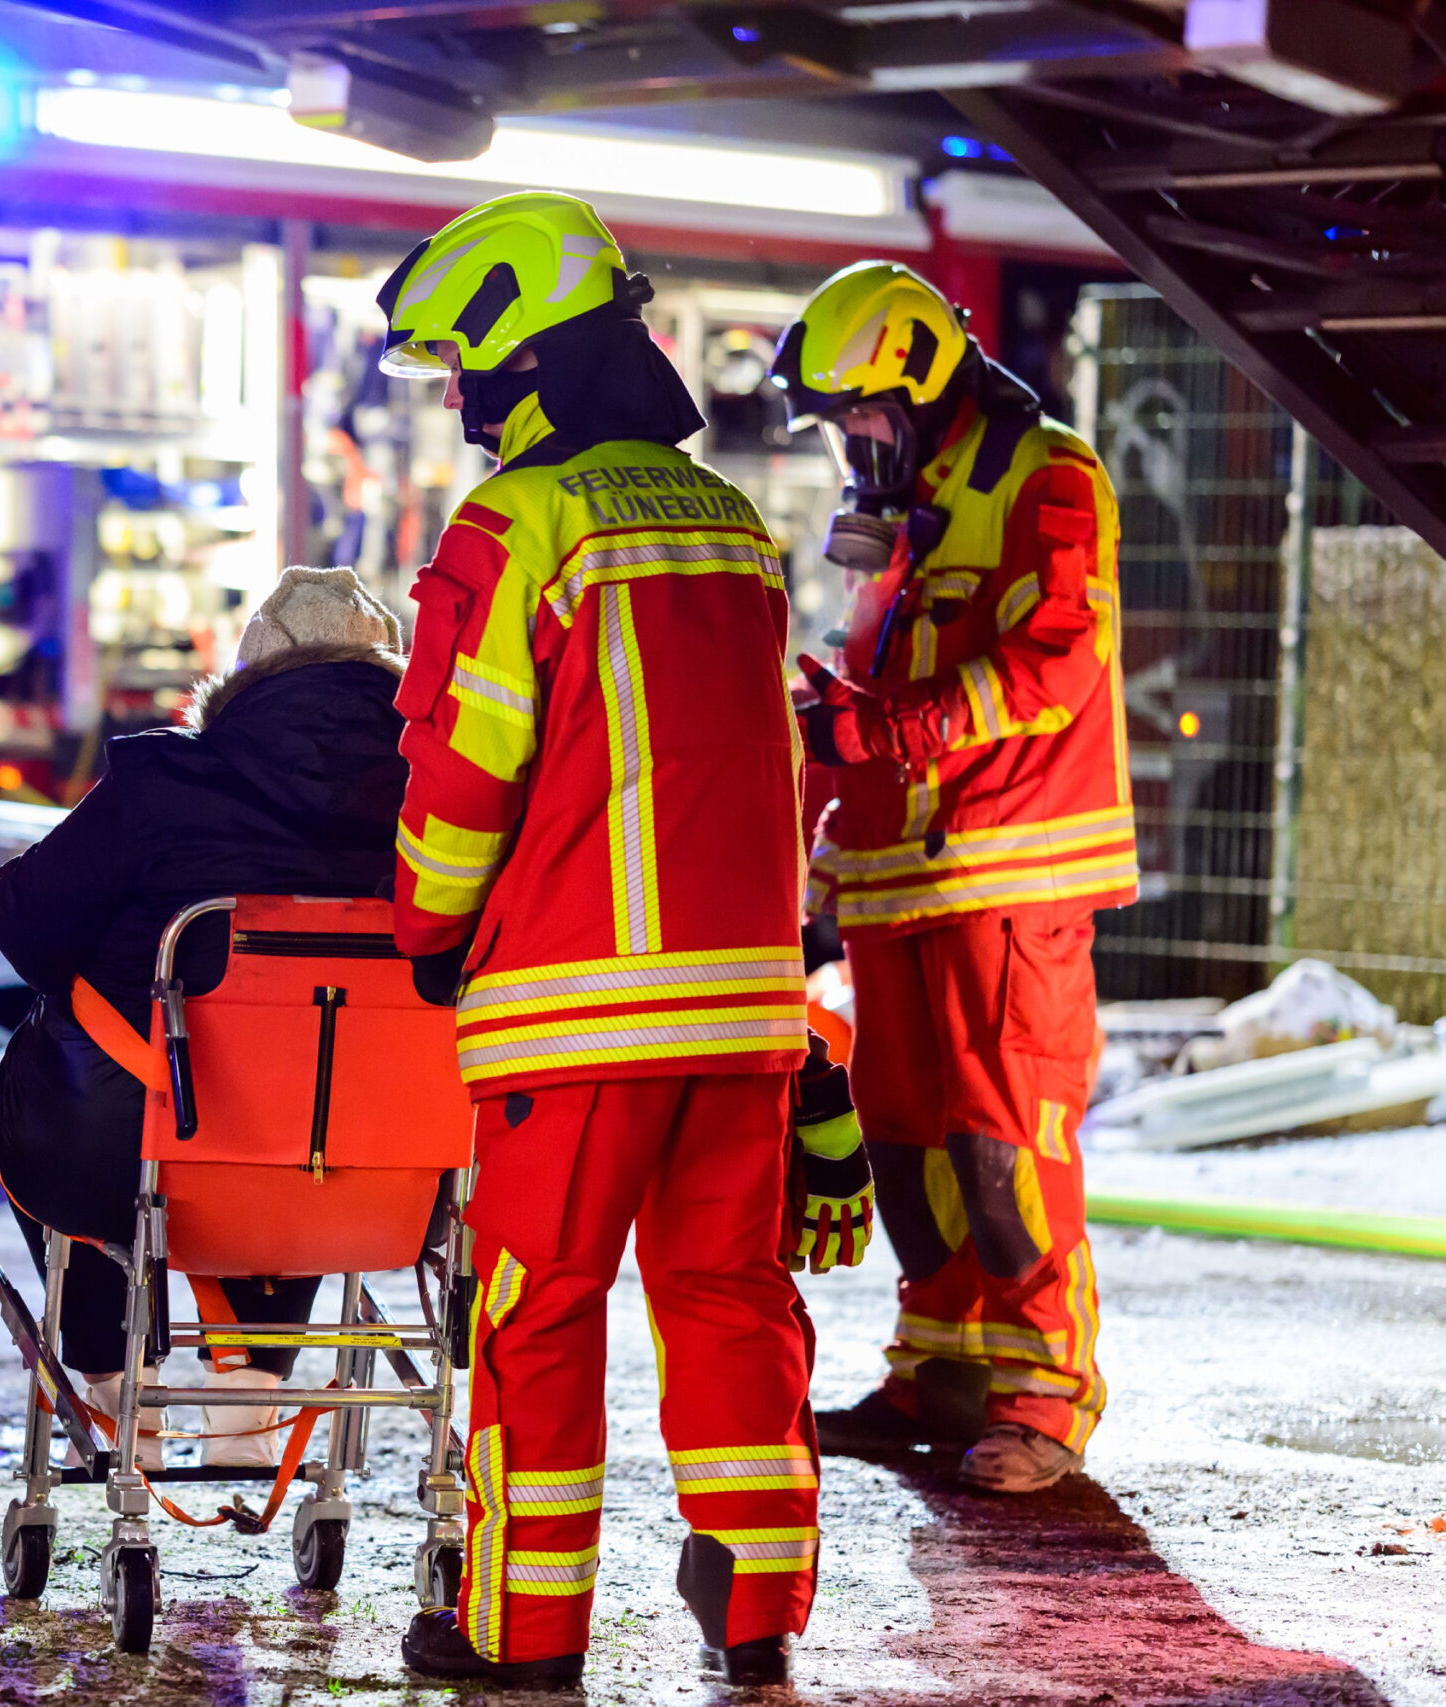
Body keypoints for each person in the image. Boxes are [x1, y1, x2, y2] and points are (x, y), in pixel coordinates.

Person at [380, 192, 868, 1691]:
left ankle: (520, 1634)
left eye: (463, 370)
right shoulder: (730, 523)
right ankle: (756, 1603)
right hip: (742, 1014)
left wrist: (427, 925)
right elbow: (766, 762)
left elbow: (465, 769)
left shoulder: (518, 523)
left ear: (519, 364)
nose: (459, 406)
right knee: (731, 1298)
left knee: (539, 1310)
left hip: (577, 1018)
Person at [774, 261, 1128, 1496]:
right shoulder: (904, 503)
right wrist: (830, 829)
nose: (844, 442)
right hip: (894, 875)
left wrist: (888, 734)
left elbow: (1055, 661)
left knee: (1005, 1133)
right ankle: (941, 1366)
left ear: (918, 384)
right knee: (907, 1137)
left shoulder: (1050, 476)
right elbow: (869, 678)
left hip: (1008, 867)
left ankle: (1047, 1389)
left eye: (853, 415)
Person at [0, 566, 409, 1466]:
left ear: (245, 682)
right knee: (316, 1091)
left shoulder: (161, 782)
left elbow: (27, 925)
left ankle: (110, 1381)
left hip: (128, 1144)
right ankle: (248, 1393)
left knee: (73, 1069)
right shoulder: (439, 808)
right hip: (365, 1163)